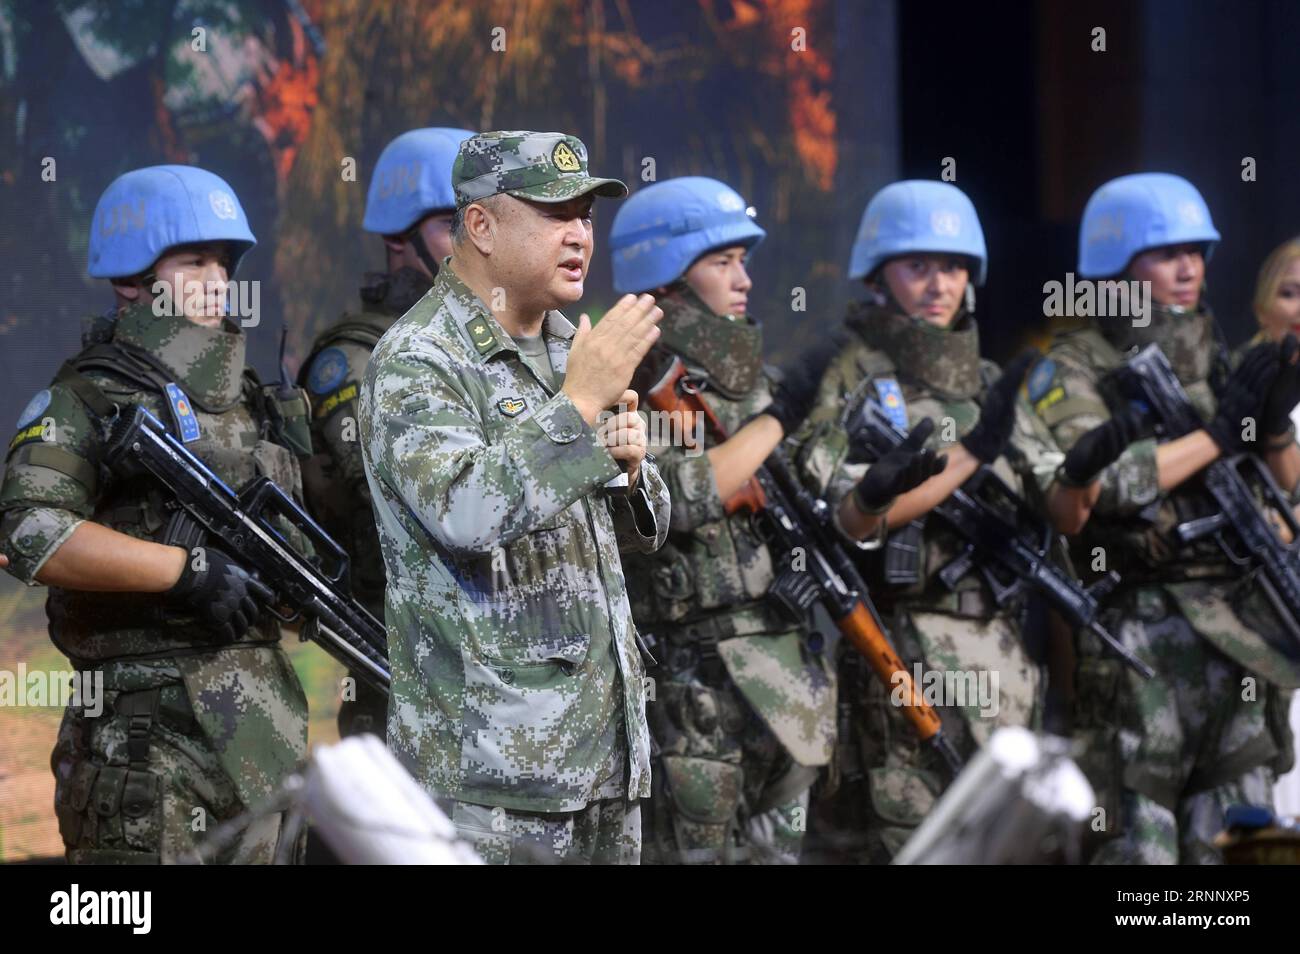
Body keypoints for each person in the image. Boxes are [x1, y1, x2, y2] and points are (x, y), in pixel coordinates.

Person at [793, 180, 1135, 863]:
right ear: (878, 272)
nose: (937, 283)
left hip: (1001, 660)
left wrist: (1085, 468)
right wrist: (964, 458)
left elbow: (1064, 516)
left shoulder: (987, 382)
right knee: (910, 844)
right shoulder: (845, 371)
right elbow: (845, 513)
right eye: (917, 264)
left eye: (952, 267)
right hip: (895, 653)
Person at [358, 130, 670, 864]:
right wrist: (579, 405)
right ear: (480, 225)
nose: (579, 235)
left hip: (601, 761)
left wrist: (629, 476)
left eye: (587, 215)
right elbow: (467, 515)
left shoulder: (568, 346)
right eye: (554, 212)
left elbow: (629, 536)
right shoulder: (418, 358)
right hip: (489, 784)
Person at [609, 176, 932, 863]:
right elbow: (674, 495)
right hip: (688, 690)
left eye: (744, 260)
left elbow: (834, 512)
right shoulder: (623, 386)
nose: (744, 279)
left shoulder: (760, 384)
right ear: (663, 277)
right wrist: (778, 418)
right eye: (721, 262)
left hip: (786, 687)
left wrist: (874, 492)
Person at [0, 165, 313, 863]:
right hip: (144, 747)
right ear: (130, 278)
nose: (216, 279)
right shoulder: (86, 398)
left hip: (262, 743)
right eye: (193, 259)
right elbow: (30, 531)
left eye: (225, 262)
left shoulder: (252, 406)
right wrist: (185, 571)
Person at [1030, 172, 1300, 863]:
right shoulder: (1071, 364)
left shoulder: (1217, 360)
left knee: (1238, 845)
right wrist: (1219, 434)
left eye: (1197, 252)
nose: (1189, 269)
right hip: (1137, 637)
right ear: (1116, 263)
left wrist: (1269, 428)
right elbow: (1103, 482)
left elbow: (1284, 493)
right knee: (1137, 850)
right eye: (1166, 252)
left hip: (1237, 635)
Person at [299, 126, 473, 739]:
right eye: (457, 221)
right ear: (399, 237)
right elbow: (423, 500)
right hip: (409, 675)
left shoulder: (495, 349)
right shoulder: (355, 357)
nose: (482, 238)